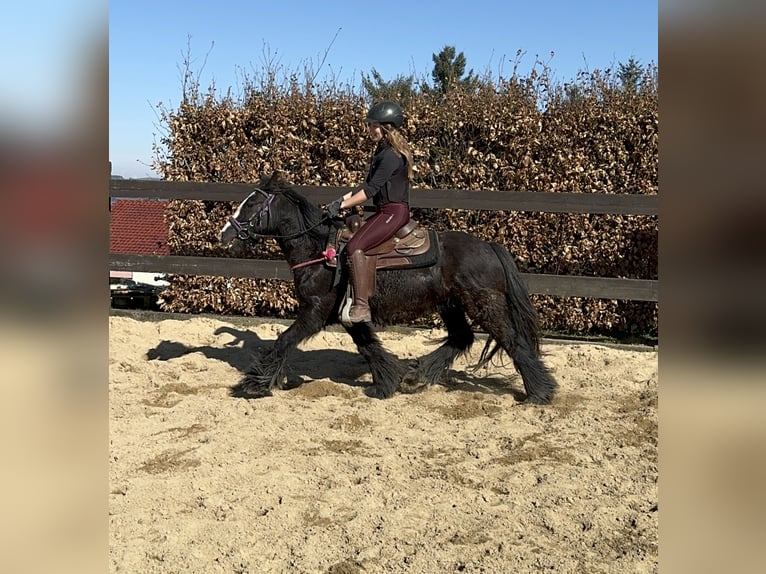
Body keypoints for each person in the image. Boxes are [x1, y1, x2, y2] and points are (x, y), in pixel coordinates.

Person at [325, 101, 414, 322]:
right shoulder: (382, 152)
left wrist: (343, 205)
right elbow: (365, 185)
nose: (369, 130)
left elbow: (370, 191)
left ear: (386, 127)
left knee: (355, 246)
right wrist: (342, 199)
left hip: (394, 212)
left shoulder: (391, 156)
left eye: (373, 125)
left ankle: (362, 306)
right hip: (385, 211)